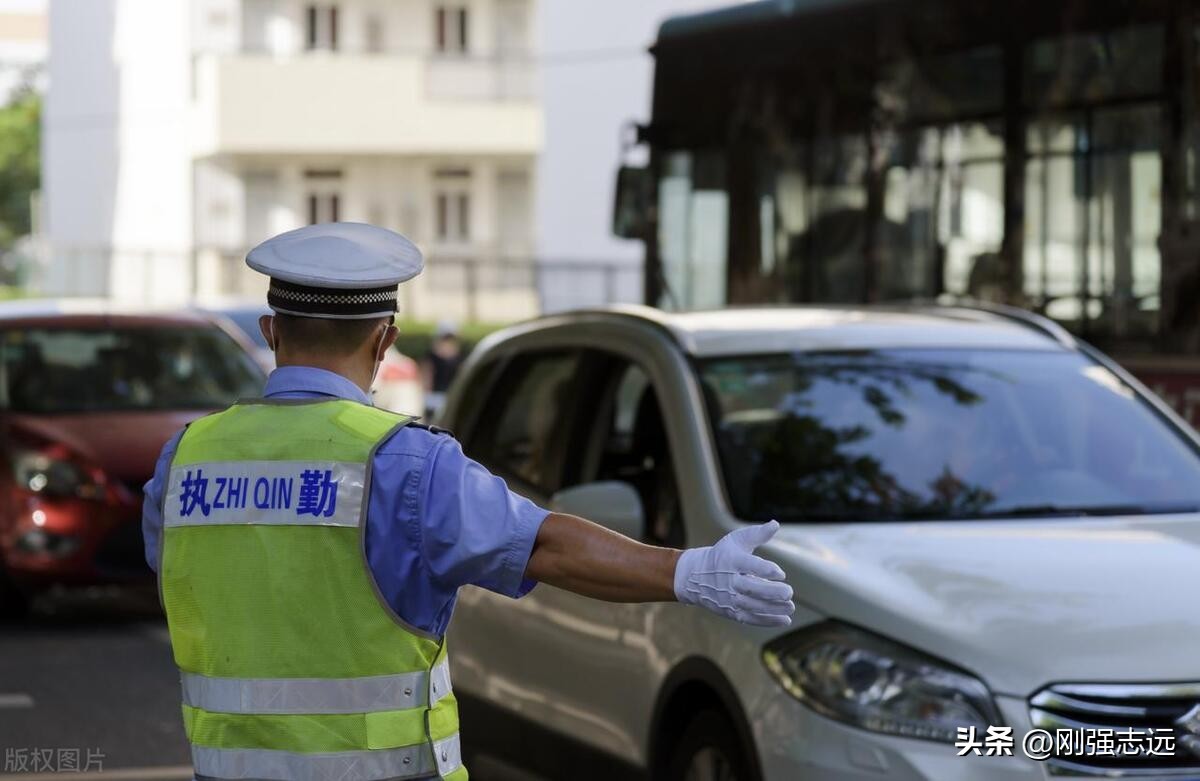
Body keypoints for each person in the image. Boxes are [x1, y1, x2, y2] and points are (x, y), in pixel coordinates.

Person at [141, 222, 794, 781]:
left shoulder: (185, 460)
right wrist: (687, 570)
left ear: (270, 331)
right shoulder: (404, 463)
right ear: (384, 340)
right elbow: (545, 545)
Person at [420, 320, 463, 420]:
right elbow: (426, 378)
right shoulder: (431, 356)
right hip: (433, 399)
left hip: (450, 398)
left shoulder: (459, 357)